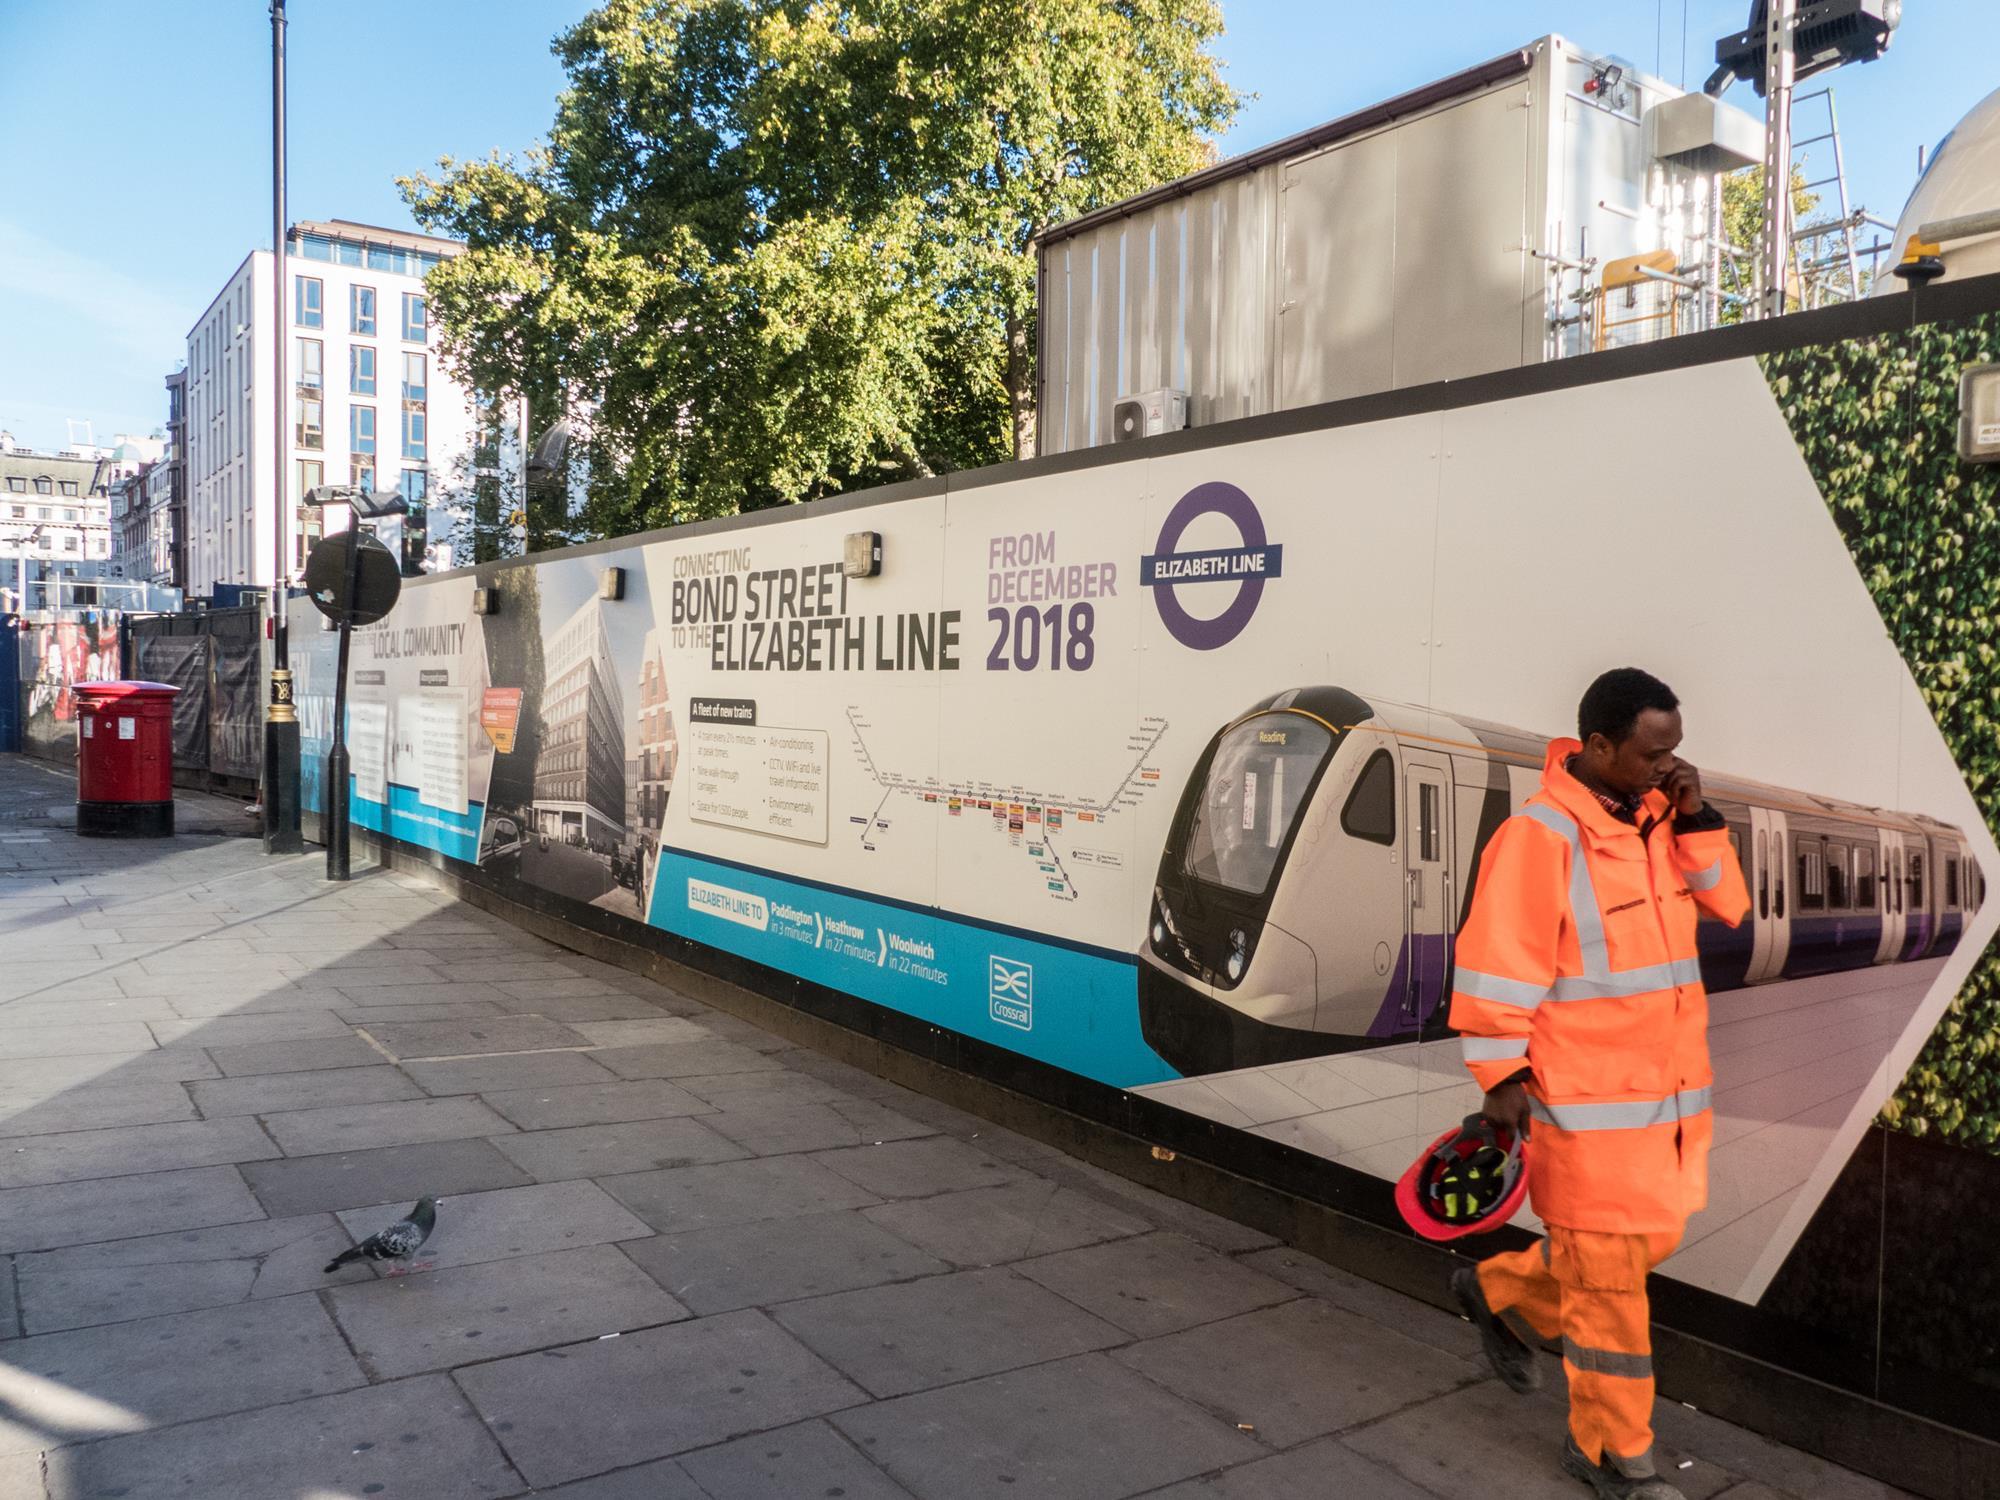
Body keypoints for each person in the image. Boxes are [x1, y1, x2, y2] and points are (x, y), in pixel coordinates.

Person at [1446, 668, 1749, 1500]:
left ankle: (1500, 1290)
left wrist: (1697, 818)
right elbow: (1497, 963)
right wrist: (1500, 1076)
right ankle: (1615, 1456)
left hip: (1667, 1107)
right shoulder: (1539, 837)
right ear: (1599, 746)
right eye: (1653, 754)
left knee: (1634, 1252)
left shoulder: (1661, 822)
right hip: (1584, 1113)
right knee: (1611, 1290)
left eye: (1675, 752)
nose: (1667, 766)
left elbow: (1729, 905)